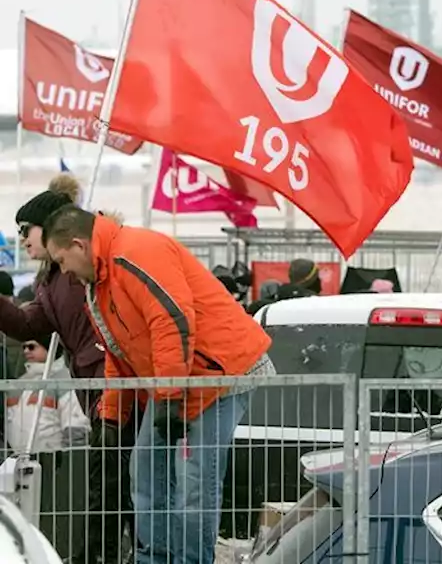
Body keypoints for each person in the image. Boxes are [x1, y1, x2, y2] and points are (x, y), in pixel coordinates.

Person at [42, 205, 275, 564]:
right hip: (181, 381)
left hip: (221, 374)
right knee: (147, 473)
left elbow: (171, 322)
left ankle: (191, 560)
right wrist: (112, 416)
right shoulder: (100, 282)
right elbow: (119, 353)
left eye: (61, 260)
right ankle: (156, 558)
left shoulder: (136, 253)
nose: (63, 271)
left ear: (79, 244)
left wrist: (166, 397)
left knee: (195, 483)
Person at [2, 183, 127, 564]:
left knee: (114, 481)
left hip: (115, 386)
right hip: (96, 390)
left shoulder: (78, 271)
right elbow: (28, 324)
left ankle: (101, 556)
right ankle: (97, 554)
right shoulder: (52, 280)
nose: (22, 239)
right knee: (108, 481)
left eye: (26, 228)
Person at [6, 334, 91, 452]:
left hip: (55, 462)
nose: (26, 351)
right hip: (18, 462)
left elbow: (76, 426)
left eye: (31, 347)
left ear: (49, 347)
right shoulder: (19, 383)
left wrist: (70, 460)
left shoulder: (65, 380)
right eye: (24, 347)